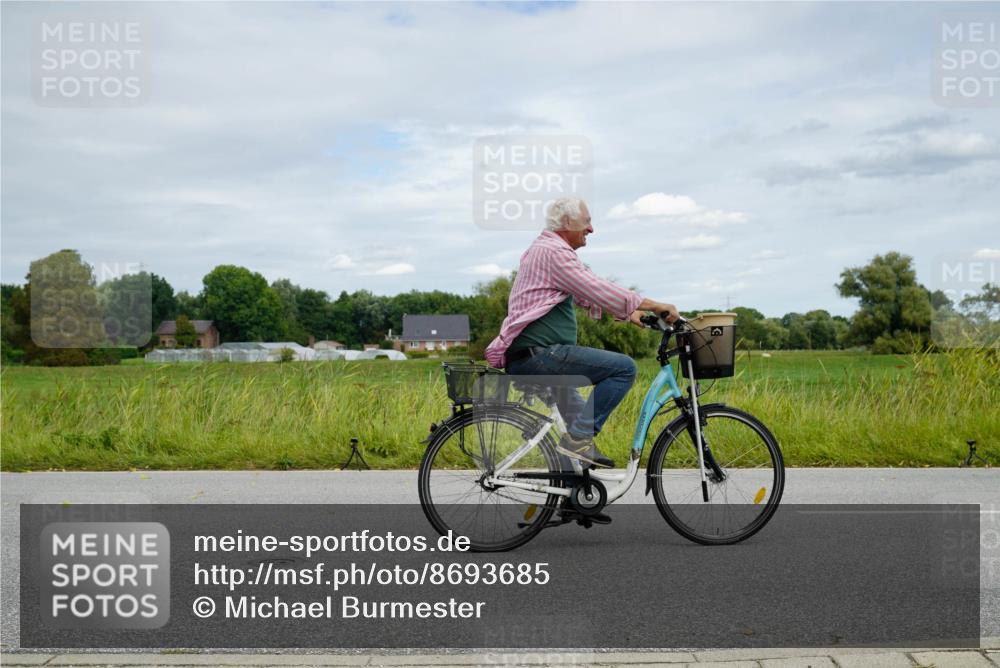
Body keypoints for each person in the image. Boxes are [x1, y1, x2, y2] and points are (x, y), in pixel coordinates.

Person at [485, 197, 679, 469]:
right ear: (567, 222)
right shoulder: (553, 251)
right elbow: (595, 286)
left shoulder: (549, 250)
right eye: (587, 222)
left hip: (535, 356)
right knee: (623, 369)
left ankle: (574, 489)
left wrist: (630, 312)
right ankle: (577, 442)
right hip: (541, 356)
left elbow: (584, 291)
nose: (591, 229)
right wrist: (654, 305)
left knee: (579, 440)